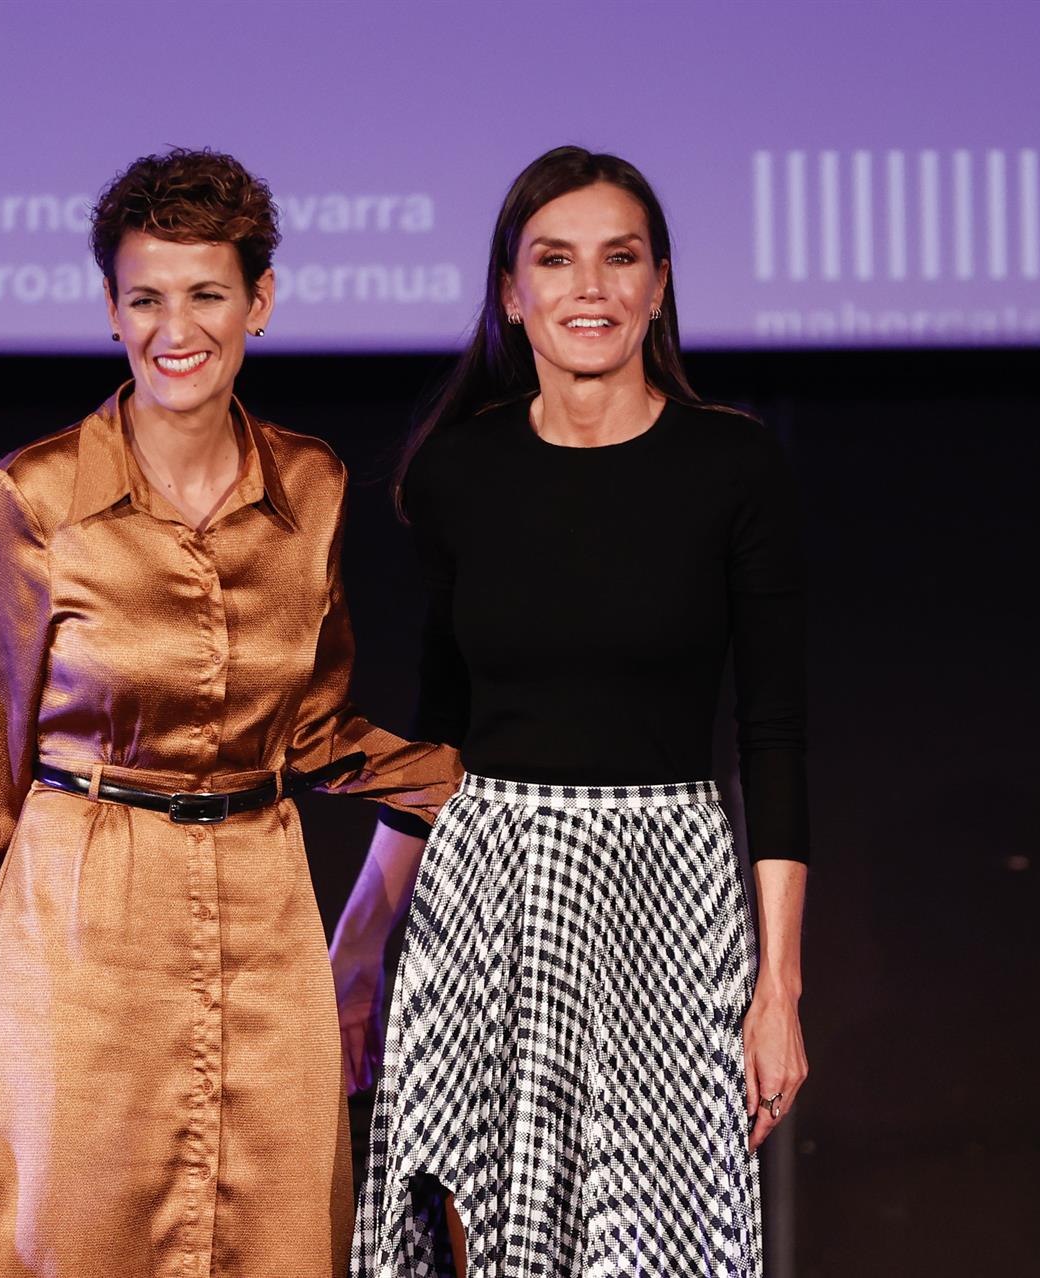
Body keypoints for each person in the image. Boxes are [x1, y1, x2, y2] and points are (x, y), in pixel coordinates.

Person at [0, 148, 462, 1278]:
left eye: (207, 292)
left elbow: (308, 722)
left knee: (270, 1232)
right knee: (77, 1234)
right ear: (110, 311)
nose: (178, 327)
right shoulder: (36, 499)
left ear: (259, 300)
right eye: (147, 297)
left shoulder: (311, 485)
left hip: (262, 905)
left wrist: (454, 777)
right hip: (79, 918)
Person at [335, 145, 810, 1278]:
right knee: (466, 1232)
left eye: (619, 259)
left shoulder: (734, 465)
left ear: (657, 285)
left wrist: (778, 987)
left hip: (667, 887)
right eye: (555, 260)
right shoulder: (458, 472)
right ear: (511, 291)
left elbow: (775, 734)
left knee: (656, 1244)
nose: (589, 288)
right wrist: (361, 937)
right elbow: (436, 734)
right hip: (486, 886)